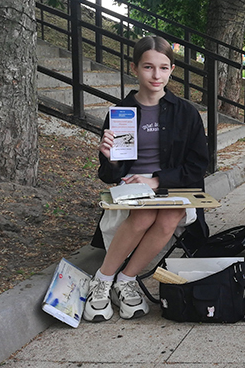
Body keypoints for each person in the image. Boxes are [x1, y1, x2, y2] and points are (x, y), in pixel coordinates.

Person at [84, 36, 209, 322]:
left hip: (172, 185)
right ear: (135, 68)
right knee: (143, 215)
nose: (156, 75)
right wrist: (111, 159)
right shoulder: (120, 113)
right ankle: (102, 280)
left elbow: (197, 167)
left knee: (170, 215)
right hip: (130, 186)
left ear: (172, 70)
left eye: (163, 68)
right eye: (148, 67)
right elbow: (109, 175)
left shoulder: (186, 113)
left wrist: (155, 181)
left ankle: (126, 280)